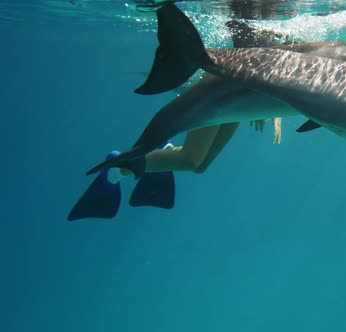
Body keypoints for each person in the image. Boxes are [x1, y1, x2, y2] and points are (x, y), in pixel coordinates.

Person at [68, 17, 292, 221]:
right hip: (221, 91)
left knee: (199, 165)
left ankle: (166, 150)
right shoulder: (258, 19)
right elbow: (250, 56)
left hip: (238, 99)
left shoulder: (286, 29)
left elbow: (283, 71)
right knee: (191, 160)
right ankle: (117, 169)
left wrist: (273, 113)